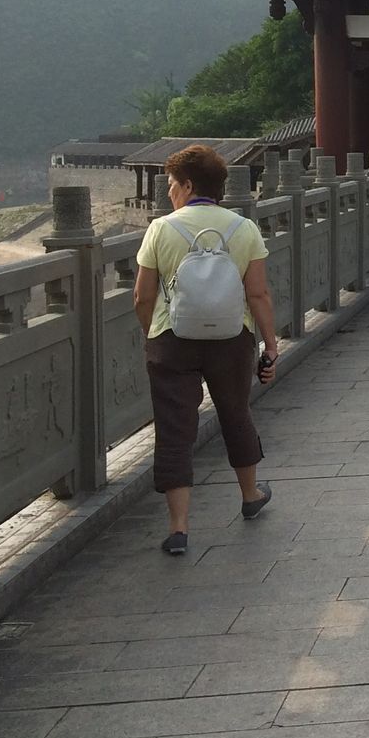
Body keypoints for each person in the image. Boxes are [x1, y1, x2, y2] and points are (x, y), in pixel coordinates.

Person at [132, 144, 276, 555]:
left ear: (188, 184)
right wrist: (270, 343)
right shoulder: (243, 229)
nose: (171, 192)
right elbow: (259, 293)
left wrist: (153, 334)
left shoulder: (161, 229)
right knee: (235, 412)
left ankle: (179, 527)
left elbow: (142, 296)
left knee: (175, 428)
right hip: (231, 338)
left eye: (173, 185)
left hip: (172, 339)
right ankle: (250, 497)